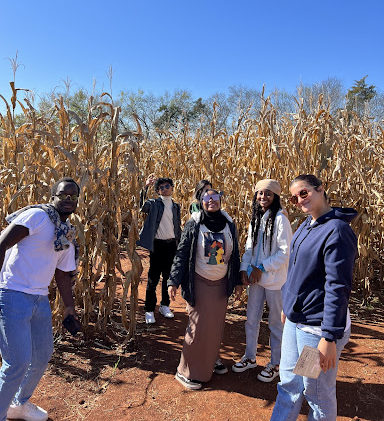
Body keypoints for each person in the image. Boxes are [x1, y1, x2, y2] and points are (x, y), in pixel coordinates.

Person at [270, 174, 357, 421]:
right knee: (288, 384)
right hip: (296, 321)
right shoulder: (307, 225)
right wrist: (288, 304)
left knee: (315, 392)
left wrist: (329, 337)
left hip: (315, 330)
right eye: (294, 197)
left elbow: (337, 287)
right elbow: (296, 271)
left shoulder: (337, 231)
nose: (299, 200)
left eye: (304, 193)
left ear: (321, 189)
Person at [0, 177, 80, 421]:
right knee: (16, 362)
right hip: (12, 294)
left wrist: (69, 308)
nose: (68, 199)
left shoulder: (65, 234)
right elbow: (1, 245)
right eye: (63, 195)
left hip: (39, 299)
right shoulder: (37, 216)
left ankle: (18, 403)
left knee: (42, 355)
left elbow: (63, 274)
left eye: (73, 196)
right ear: (52, 196)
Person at [168, 188, 241, 390]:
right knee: (197, 329)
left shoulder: (228, 224)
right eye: (207, 198)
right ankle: (186, 372)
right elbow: (182, 253)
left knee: (214, 329)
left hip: (220, 286)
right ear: (201, 202)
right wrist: (173, 281)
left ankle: (207, 367)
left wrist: (236, 282)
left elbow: (235, 254)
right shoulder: (194, 224)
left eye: (215, 197)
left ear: (220, 200)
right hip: (199, 283)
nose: (211, 201)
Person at [232, 179, 292, 382]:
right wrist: (243, 269)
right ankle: (250, 357)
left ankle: (276, 363)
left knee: (276, 323)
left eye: (268, 194)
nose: (263, 197)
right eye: (260, 193)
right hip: (255, 280)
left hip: (274, 281)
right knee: (251, 320)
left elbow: (285, 253)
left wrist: (261, 267)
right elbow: (249, 248)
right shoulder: (255, 218)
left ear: (275, 197)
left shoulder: (280, 220)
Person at [137, 175, 181, 324]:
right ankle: (149, 310)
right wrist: (146, 187)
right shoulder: (154, 204)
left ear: (172, 188)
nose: (164, 189)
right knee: (153, 277)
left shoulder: (176, 206)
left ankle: (165, 306)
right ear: (157, 191)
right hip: (157, 245)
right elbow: (142, 207)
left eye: (167, 186)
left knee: (168, 277)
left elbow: (177, 226)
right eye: (161, 187)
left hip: (171, 245)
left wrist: (179, 244)